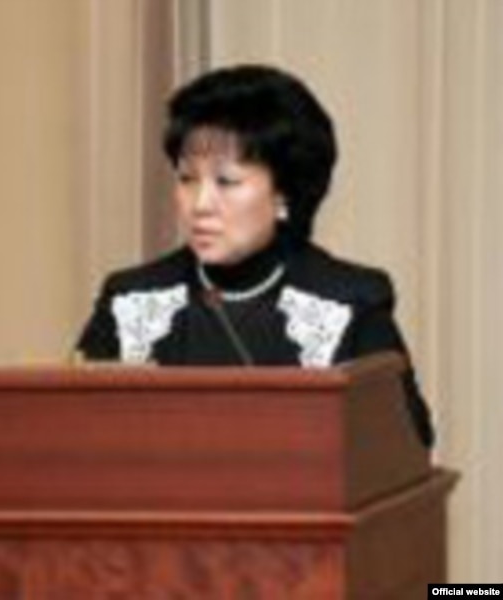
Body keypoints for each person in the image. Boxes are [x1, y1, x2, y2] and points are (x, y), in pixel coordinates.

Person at [75, 64, 434, 448]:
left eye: (226, 181)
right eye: (187, 178)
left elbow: (407, 448)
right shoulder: (131, 299)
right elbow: (70, 435)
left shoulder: (349, 303)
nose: (200, 204)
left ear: (284, 193)